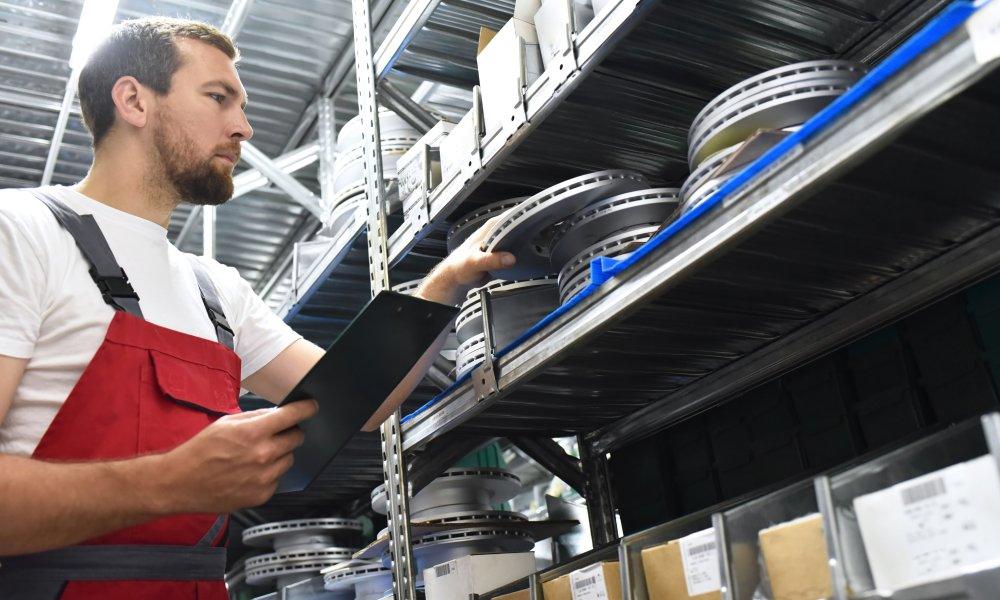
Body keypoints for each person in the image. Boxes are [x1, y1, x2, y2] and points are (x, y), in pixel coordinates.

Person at [0, 17, 515, 599]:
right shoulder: (21, 232)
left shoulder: (213, 290)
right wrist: (170, 482)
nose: (242, 127)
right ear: (133, 101)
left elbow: (361, 403)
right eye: (218, 98)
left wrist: (441, 286)